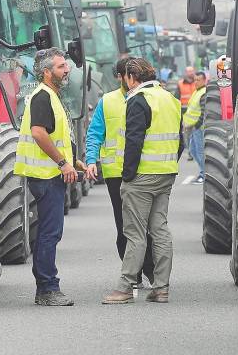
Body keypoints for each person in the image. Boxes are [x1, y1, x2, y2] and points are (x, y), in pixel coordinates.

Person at [102, 58, 183, 305]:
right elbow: (181, 140)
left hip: (142, 177)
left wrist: (127, 176)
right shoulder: (170, 99)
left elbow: (134, 142)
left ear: (130, 77)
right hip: (166, 173)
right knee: (159, 230)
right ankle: (161, 288)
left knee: (135, 234)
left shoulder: (138, 100)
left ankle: (125, 287)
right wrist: (169, 165)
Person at [14, 47, 86, 307]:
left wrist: (73, 160)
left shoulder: (52, 96)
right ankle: (47, 289)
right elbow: (39, 133)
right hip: (46, 175)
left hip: (51, 173)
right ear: (46, 72)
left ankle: (47, 287)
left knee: (50, 232)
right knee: (49, 233)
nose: (67, 70)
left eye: (66, 66)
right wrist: (62, 162)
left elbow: (57, 136)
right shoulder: (43, 97)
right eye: (60, 67)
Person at [85, 58, 155, 286]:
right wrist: (91, 160)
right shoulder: (107, 102)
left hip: (146, 171)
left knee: (148, 226)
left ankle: (152, 271)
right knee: (124, 226)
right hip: (117, 175)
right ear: (119, 76)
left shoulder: (150, 98)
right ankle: (133, 273)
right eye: (127, 73)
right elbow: (95, 133)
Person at [182, 71, 208, 184]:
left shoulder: (203, 93)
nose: (195, 82)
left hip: (198, 128)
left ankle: (204, 174)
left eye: (198, 80)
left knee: (200, 152)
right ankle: (203, 173)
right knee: (192, 150)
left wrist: (197, 125)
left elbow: (203, 112)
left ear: (204, 80)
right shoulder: (197, 92)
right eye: (195, 80)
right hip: (193, 128)